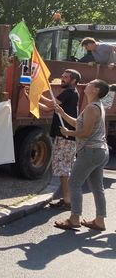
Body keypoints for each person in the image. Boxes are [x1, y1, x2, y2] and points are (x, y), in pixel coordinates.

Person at [53, 79, 110, 231]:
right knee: (97, 186)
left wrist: (68, 133)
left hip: (90, 151)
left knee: (74, 183)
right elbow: (79, 124)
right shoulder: (95, 106)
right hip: (99, 151)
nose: (87, 85)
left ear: (96, 90)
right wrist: (62, 113)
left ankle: (74, 218)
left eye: (91, 84)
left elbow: (85, 133)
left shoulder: (92, 108)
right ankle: (99, 221)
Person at [35, 69, 81, 210]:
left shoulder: (70, 92)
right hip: (63, 136)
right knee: (62, 170)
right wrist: (31, 99)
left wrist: (36, 94)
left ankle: (68, 201)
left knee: (64, 170)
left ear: (73, 80)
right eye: (62, 76)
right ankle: (66, 199)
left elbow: (51, 104)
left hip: (66, 136)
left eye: (65, 77)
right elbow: (48, 109)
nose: (62, 78)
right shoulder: (70, 92)